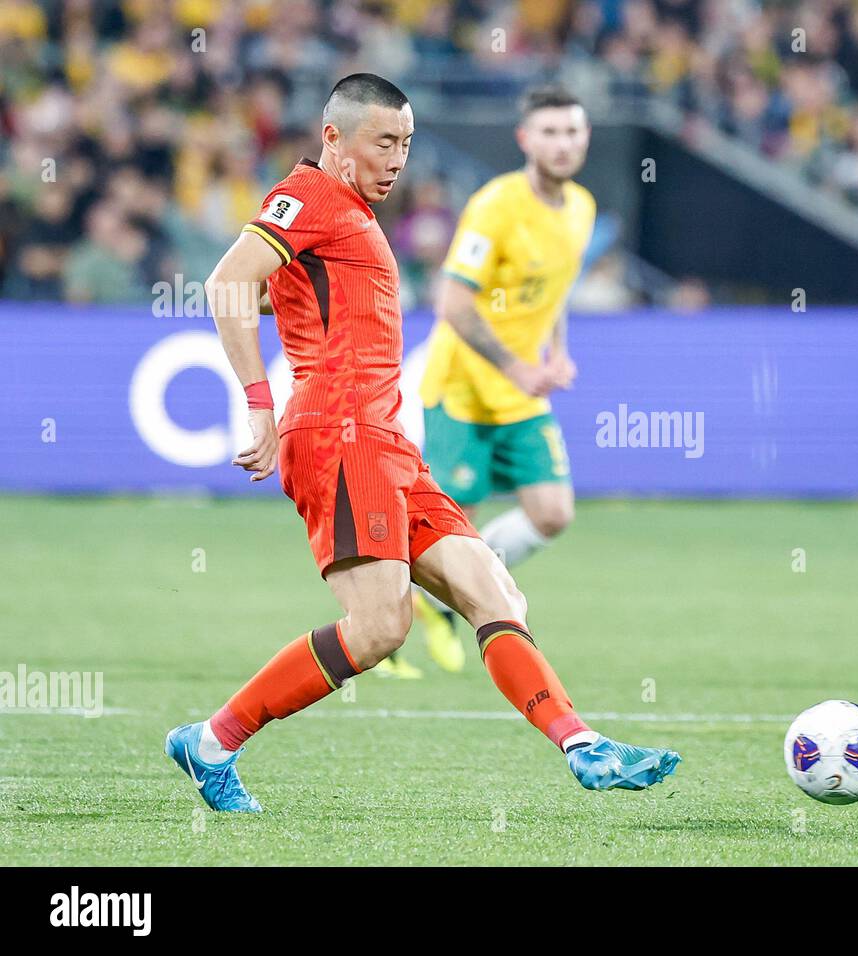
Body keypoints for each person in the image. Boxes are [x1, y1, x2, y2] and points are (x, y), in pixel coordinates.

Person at [163, 74, 679, 811]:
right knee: (379, 628)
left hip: (388, 442)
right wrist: (259, 407)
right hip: (340, 436)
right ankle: (212, 741)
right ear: (333, 138)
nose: (399, 157)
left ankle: (582, 745)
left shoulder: (351, 212)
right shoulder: (307, 196)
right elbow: (226, 285)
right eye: (384, 141)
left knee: (494, 588)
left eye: (406, 142)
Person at [384, 85, 595, 678]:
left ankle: (439, 594)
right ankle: (384, 623)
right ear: (525, 139)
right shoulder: (496, 205)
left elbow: (556, 292)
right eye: (549, 132)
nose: (562, 144)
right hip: (466, 389)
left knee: (552, 513)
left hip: (522, 394)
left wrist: (558, 352)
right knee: (452, 522)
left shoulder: (581, 208)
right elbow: (452, 301)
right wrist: (518, 367)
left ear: (585, 139)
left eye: (572, 132)